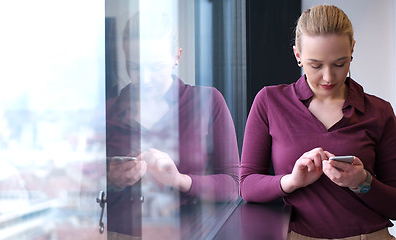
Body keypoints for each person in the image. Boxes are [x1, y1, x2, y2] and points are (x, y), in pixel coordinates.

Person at [240, 4, 396, 240]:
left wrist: (362, 182)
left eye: (339, 63)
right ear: (297, 55)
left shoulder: (379, 111)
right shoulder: (270, 102)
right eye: (316, 65)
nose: (328, 77)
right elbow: (247, 186)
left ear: (352, 50)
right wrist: (292, 181)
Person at [105, 12, 239, 239]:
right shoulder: (108, 111)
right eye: (134, 67)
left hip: (188, 233)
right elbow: (79, 191)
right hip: (118, 234)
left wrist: (178, 180)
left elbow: (233, 186)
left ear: (177, 57)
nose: (144, 79)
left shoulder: (208, 102)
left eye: (155, 67)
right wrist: (110, 178)